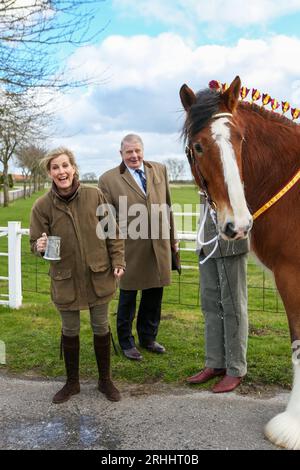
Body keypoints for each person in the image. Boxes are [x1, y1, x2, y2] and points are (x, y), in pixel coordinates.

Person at [30, 147, 125, 404]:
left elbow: (113, 233)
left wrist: (118, 260)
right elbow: (34, 242)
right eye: (55, 168)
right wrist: (38, 247)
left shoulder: (95, 196)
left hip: (98, 275)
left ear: (73, 168)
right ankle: (72, 383)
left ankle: (105, 381)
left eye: (65, 165)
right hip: (65, 278)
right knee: (69, 329)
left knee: (101, 327)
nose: (61, 172)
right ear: (50, 173)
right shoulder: (42, 206)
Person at [98, 134, 178, 360]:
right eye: (128, 152)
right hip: (129, 249)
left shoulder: (160, 169)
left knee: (154, 295)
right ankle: (126, 342)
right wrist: (112, 252)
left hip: (159, 245)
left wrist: (173, 238)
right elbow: (106, 220)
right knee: (128, 297)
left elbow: (168, 206)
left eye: (137, 151)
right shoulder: (108, 179)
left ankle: (148, 338)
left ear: (143, 150)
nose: (133, 156)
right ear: (121, 154)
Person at [187, 194, 249, 392]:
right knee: (210, 306)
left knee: (233, 307)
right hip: (206, 245)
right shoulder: (202, 168)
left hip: (231, 244)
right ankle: (215, 363)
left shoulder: (234, 170)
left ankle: (236, 368)